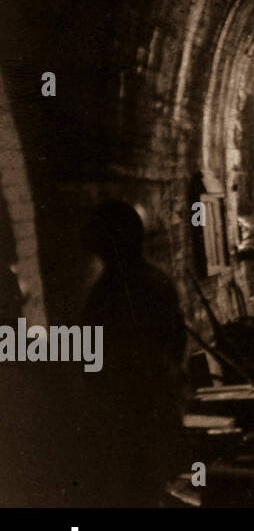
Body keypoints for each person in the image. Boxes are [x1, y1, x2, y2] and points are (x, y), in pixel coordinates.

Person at [78, 201, 187, 506]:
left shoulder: (109, 293)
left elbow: (95, 357)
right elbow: (176, 344)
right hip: (155, 406)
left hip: (129, 414)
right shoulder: (156, 282)